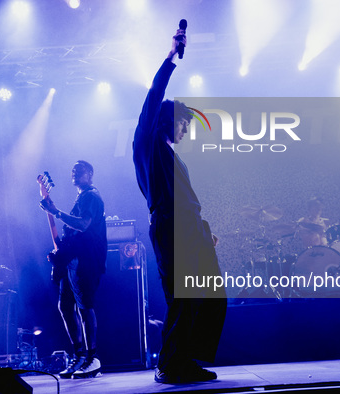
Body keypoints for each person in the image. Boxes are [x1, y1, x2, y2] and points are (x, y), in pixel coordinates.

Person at [132, 28, 227, 384]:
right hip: (170, 229)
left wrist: (204, 232)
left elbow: (187, 200)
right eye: (184, 123)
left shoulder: (173, 158)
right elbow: (153, 97)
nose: (187, 130)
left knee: (213, 295)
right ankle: (170, 365)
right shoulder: (146, 144)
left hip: (190, 229)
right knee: (183, 297)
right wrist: (171, 58)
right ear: (166, 120)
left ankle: (187, 358)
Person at [39, 160, 107, 379]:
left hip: (85, 260)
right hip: (73, 260)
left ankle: (92, 359)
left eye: (81, 170)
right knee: (65, 306)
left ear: (91, 174)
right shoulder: (81, 198)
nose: (75, 173)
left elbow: (84, 224)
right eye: (73, 170)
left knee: (85, 307)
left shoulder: (91, 196)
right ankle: (79, 356)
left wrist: (56, 212)